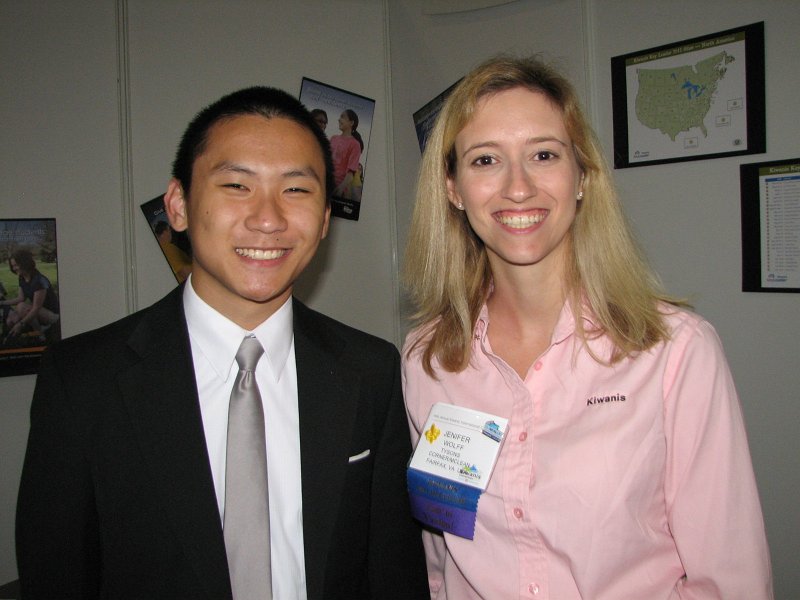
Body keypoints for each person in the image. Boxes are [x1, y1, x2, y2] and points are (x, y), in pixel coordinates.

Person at [16, 86, 428, 599]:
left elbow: (392, 572)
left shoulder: (370, 370)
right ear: (178, 205)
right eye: (236, 185)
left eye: (296, 189)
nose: (268, 218)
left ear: (325, 219)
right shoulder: (82, 381)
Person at [402, 55, 772, 599]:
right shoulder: (426, 360)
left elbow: (731, 582)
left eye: (544, 155)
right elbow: (441, 556)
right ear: (454, 189)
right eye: (485, 160)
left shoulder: (674, 352)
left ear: (582, 176)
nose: (518, 187)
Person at [1, 249, 60, 341]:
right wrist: (2, 303)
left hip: (52, 315)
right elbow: (21, 298)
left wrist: (20, 324)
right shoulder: (22, 277)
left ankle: (41, 335)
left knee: (21, 307)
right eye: (12, 266)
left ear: (25, 263)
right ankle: (30, 332)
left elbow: (36, 308)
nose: (14, 268)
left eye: (16, 265)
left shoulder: (39, 280)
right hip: (39, 313)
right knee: (11, 320)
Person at [330, 109, 363, 198]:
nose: (339, 119)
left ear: (351, 123)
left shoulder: (355, 145)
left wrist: (341, 188)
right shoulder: (333, 138)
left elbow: (351, 173)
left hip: (338, 189)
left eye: (342, 117)